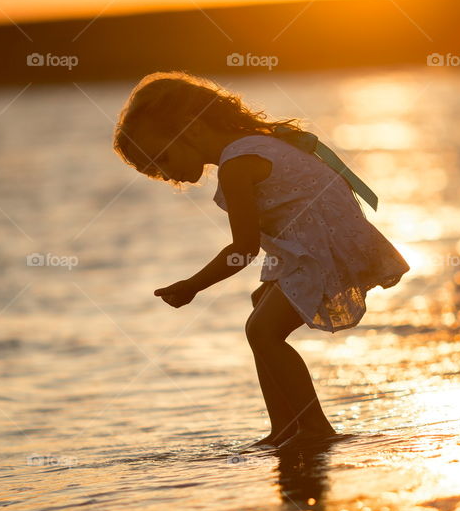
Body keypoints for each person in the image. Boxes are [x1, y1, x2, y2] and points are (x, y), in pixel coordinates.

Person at [112, 70, 410, 447]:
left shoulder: (238, 164)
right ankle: (284, 428)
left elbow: (243, 251)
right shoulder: (255, 144)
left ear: (190, 127)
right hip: (320, 242)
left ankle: (314, 428)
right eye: (156, 171)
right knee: (259, 310)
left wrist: (192, 286)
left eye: (163, 158)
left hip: (324, 250)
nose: (168, 174)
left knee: (263, 331)